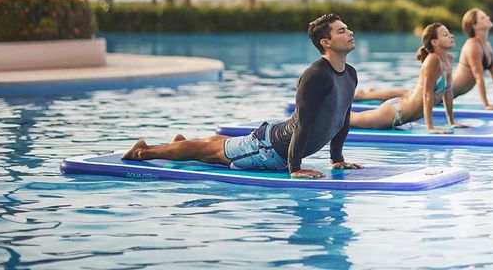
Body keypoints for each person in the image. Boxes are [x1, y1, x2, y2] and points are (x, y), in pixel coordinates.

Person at [122, 13, 363, 178]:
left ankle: (181, 145)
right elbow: (303, 123)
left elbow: (342, 118)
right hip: (270, 150)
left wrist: (336, 158)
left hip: (274, 141)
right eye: (342, 31)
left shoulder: (350, 74)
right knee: (213, 153)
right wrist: (295, 167)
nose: (350, 32)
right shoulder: (316, 76)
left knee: (222, 147)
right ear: (326, 42)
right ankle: (143, 151)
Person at [353, 8, 493, 109]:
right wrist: (487, 105)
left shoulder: (487, 45)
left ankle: (372, 93)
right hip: (441, 92)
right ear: (474, 26)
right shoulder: (472, 46)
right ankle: (364, 96)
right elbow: (479, 77)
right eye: (482, 17)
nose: (488, 17)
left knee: (408, 93)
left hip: (451, 93)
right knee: (409, 96)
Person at [350, 22, 468, 134]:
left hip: (403, 115)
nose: (451, 36)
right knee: (350, 120)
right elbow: (427, 95)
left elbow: (448, 92)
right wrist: (430, 127)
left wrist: (452, 122)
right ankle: (333, 109)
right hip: (395, 113)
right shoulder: (433, 60)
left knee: (351, 119)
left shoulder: (448, 59)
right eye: (445, 34)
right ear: (435, 42)